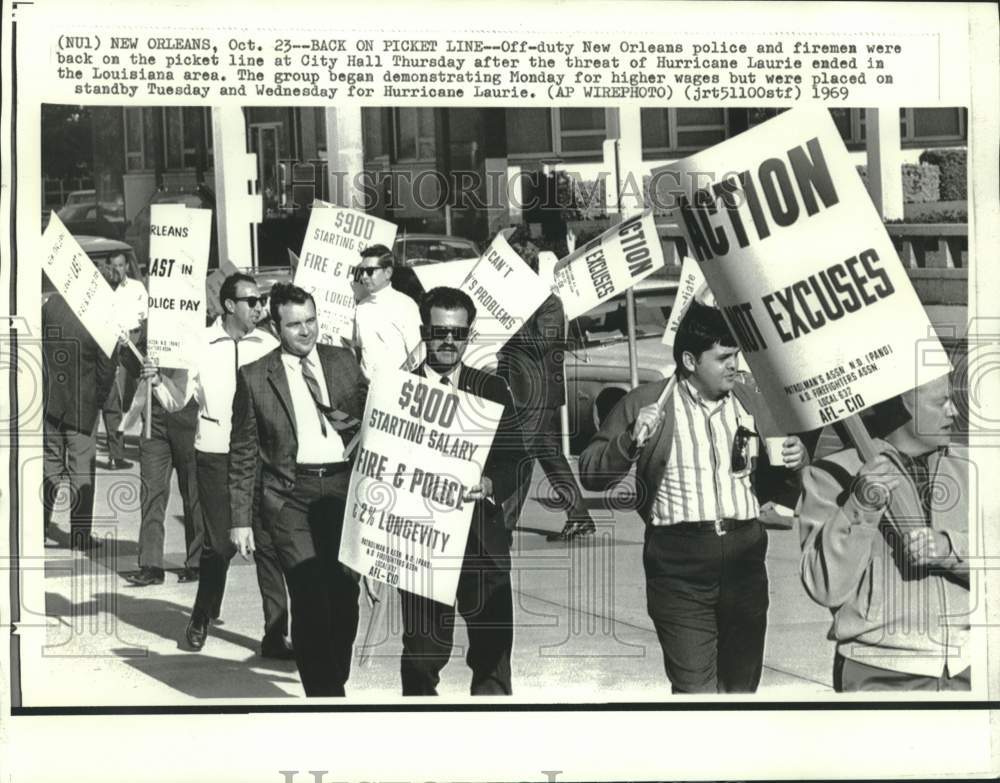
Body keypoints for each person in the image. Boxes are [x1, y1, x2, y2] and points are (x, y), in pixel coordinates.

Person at [578, 302, 807, 694]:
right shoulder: (647, 403)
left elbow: (781, 471)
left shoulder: (750, 401)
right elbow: (591, 473)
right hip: (678, 564)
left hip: (744, 560)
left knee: (740, 691)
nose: (734, 365)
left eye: (736, 356)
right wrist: (629, 441)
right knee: (694, 695)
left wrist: (796, 458)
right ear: (689, 360)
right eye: (722, 358)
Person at [228, 282, 367, 696]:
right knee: (309, 597)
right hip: (290, 496)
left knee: (344, 595)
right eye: (294, 325)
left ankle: (332, 676)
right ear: (275, 326)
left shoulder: (343, 361)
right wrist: (240, 521)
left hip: (343, 489)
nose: (306, 332)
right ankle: (325, 695)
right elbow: (243, 452)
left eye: (311, 321)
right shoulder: (255, 377)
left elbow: (374, 419)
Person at [144, 273, 292, 658]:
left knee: (270, 545)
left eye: (261, 301)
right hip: (214, 454)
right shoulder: (200, 343)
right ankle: (201, 614)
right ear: (229, 305)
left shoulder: (269, 343)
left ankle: (276, 634)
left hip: (261, 457)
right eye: (252, 301)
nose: (260, 307)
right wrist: (158, 380)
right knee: (220, 545)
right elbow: (177, 402)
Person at [798, 374, 970, 691]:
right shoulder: (829, 475)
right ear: (902, 406)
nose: (953, 412)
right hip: (878, 671)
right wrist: (860, 504)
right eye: (940, 401)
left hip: (969, 668)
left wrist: (948, 549)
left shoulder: (973, 469)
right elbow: (824, 586)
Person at [398, 286, 526, 696]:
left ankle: (493, 744)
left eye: (458, 333)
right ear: (424, 332)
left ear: (469, 335)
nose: (449, 342)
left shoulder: (491, 389)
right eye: (439, 332)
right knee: (421, 659)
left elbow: (515, 460)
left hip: (481, 543)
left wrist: (490, 484)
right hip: (422, 547)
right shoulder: (397, 391)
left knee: (492, 657)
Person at [496, 250, 595, 542]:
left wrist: (509, 329)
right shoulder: (525, 303)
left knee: (520, 454)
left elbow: (541, 343)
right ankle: (579, 517)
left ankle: (504, 523)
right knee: (549, 456)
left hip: (538, 396)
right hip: (525, 392)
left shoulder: (549, 303)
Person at [42, 292, 116, 550]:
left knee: (49, 467)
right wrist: (99, 399)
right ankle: (80, 536)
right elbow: (107, 368)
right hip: (82, 406)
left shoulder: (52, 305)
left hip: (51, 401)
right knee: (81, 470)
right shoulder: (101, 314)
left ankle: (38, 527)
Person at [99, 252, 147, 470]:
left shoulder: (137, 288)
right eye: (114, 265)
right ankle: (115, 454)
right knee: (114, 401)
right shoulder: (105, 290)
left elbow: (145, 316)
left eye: (121, 265)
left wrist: (138, 340)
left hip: (136, 342)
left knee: (143, 394)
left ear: (127, 265)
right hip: (114, 346)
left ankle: (148, 447)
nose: (117, 269)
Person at [352, 244, 424, 379]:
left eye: (370, 271)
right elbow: (360, 350)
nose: (364, 276)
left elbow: (419, 353)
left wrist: (397, 382)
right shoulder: (361, 306)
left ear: (388, 273)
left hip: (393, 390)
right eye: (361, 271)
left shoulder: (405, 305)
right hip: (364, 390)